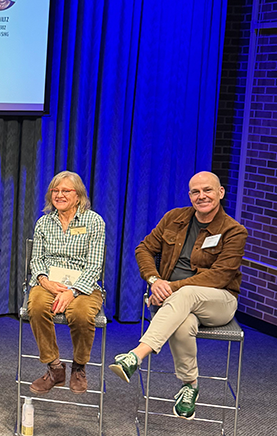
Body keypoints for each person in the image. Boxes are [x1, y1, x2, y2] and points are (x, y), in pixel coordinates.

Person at [109, 171, 247, 420]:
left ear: (220, 192)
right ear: (190, 195)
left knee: (188, 292)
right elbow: (144, 248)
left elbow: (219, 277)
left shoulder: (234, 231)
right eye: (195, 191)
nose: (201, 196)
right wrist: (154, 280)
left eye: (208, 190)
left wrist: (169, 288)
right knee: (182, 325)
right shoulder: (174, 218)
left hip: (220, 301)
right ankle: (190, 386)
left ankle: (136, 356)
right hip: (175, 303)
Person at [26, 171, 105, 395]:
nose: (59, 195)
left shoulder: (94, 221)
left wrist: (73, 291)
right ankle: (54, 367)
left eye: (65, 191)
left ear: (78, 196)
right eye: (55, 190)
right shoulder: (43, 223)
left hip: (84, 285)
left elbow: (94, 265)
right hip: (49, 282)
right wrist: (45, 282)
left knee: (81, 314)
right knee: (37, 306)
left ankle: (79, 367)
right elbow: (37, 259)